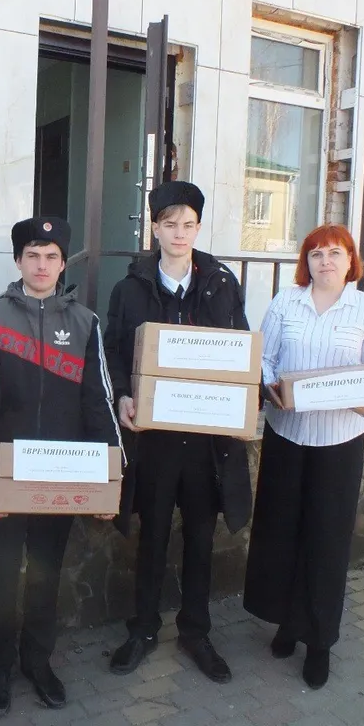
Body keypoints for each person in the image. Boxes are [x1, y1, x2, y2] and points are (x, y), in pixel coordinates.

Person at [0, 217, 123, 717]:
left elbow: (99, 401)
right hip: (7, 475)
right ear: (18, 260)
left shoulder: (86, 323)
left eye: (51, 256)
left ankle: (37, 661)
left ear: (63, 263)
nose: (41, 265)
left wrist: (112, 476)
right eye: (32, 255)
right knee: (1, 576)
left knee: (45, 574)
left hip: (63, 472)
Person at [103, 180, 253, 684]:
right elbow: (114, 351)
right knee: (152, 535)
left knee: (201, 536)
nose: (179, 233)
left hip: (206, 441)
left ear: (198, 228)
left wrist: (242, 404)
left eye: (188, 224)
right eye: (170, 224)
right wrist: (122, 394)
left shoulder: (221, 284)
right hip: (156, 438)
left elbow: (239, 351)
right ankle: (144, 629)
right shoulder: (129, 289)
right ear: (155, 228)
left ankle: (196, 631)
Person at [243, 224, 364, 690]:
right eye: (316, 254)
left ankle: (320, 641)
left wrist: (363, 401)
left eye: (335, 253)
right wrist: (271, 387)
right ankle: (287, 623)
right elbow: (264, 357)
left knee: (326, 541)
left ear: (350, 261)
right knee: (281, 533)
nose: (325, 261)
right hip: (286, 434)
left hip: (338, 442)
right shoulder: (286, 303)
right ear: (306, 262)